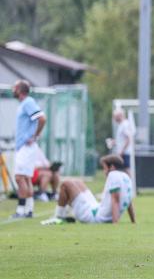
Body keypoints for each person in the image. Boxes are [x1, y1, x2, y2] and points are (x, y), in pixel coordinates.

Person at [42, 155, 134, 225]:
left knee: (66, 184)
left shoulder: (113, 175)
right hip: (96, 208)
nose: (104, 171)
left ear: (112, 167)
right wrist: (133, 221)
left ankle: (58, 217)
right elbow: (129, 201)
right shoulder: (126, 177)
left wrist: (115, 224)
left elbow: (115, 201)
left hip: (94, 217)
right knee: (78, 182)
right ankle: (65, 213)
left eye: (104, 168)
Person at [11, 80, 46, 219]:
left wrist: (35, 136)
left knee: (19, 177)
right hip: (24, 146)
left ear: (20, 89)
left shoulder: (28, 102)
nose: (13, 89)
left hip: (26, 146)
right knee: (25, 178)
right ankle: (29, 210)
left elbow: (42, 118)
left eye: (15, 87)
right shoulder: (23, 104)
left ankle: (21, 210)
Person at [112, 109, 135, 177]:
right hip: (122, 152)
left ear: (120, 116)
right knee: (123, 170)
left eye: (115, 116)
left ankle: (131, 185)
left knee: (126, 169)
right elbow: (122, 139)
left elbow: (129, 139)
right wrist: (114, 142)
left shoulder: (125, 124)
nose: (114, 118)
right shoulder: (121, 125)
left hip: (125, 152)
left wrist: (122, 151)